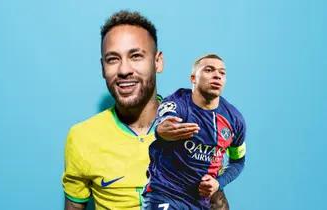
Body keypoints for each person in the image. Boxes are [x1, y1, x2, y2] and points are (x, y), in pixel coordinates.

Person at [62, 10, 229, 210]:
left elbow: (216, 202)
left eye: (136, 56)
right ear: (102, 68)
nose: (124, 70)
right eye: (113, 59)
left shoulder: (195, 126)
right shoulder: (82, 137)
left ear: (157, 62)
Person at [143, 54, 246, 210]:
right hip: (165, 192)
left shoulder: (234, 120)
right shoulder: (178, 102)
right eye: (209, 70)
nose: (217, 75)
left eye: (222, 73)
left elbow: (238, 161)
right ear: (193, 78)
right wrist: (163, 129)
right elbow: (165, 121)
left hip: (200, 201)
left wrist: (219, 182)